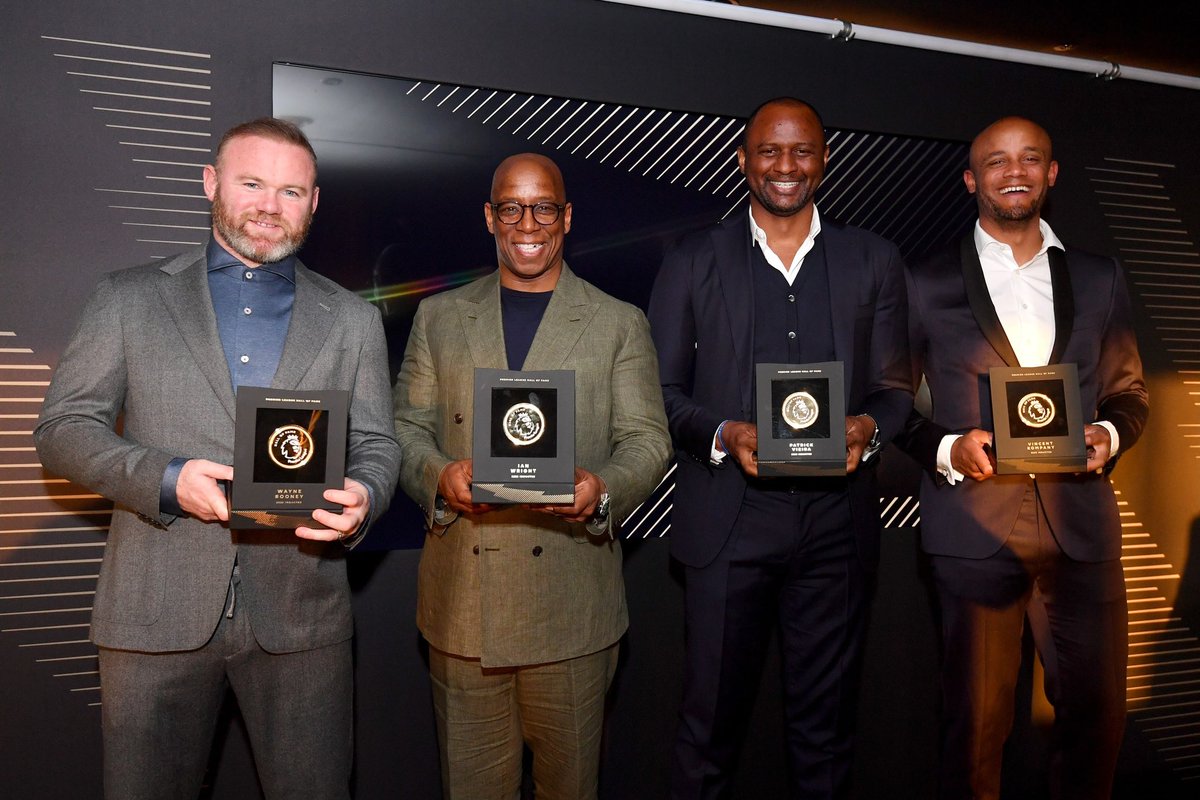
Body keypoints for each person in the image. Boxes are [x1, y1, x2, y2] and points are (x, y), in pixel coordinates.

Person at [34, 117, 401, 799]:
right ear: (211, 184)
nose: (270, 205)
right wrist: (169, 481)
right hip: (153, 613)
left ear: (314, 203)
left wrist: (365, 496)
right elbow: (62, 428)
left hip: (302, 623)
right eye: (253, 183)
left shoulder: (353, 319)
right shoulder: (128, 297)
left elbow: (377, 443)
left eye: (292, 191)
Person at [647, 97, 913, 799]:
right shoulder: (692, 259)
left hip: (837, 527)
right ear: (743, 160)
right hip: (730, 522)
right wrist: (726, 434)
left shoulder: (874, 259)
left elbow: (895, 390)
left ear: (824, 161)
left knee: (826, 735)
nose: (785, 166)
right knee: (707, 732)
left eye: (801, 152)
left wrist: (867, 430)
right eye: (769, 150)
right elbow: (661, 391)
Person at [392, 153, 672, 799]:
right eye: (511, 207)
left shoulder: (617, 322)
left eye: (543, 206)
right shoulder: (439, 318)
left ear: (566, 217)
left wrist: (602, 489)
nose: (528, 222)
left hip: (573, 611)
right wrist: (439, 476)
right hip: (465, 608)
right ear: (490, 217)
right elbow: (404, 429)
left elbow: (647, 441)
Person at [895, 116, 1148, 799]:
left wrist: (1110, 436)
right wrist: (946, 446)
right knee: (974, 730)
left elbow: (1129, 392)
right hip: (974, 528)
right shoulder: (923, 281)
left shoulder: (1099, 277)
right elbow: (886, 400)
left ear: (1052, 173)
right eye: (998, 161)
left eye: (1030, 158)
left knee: (1097, 726)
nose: (1016, 172)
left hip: (1082, 529)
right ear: (972, 179)